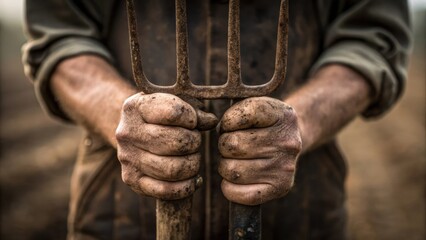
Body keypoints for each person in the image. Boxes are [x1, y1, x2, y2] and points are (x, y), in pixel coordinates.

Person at [22, 0, 411, 239]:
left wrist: (303, 121)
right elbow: (61, 35)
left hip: (296, 218)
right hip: (119, 218)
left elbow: (371, 38)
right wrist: (118, 114)